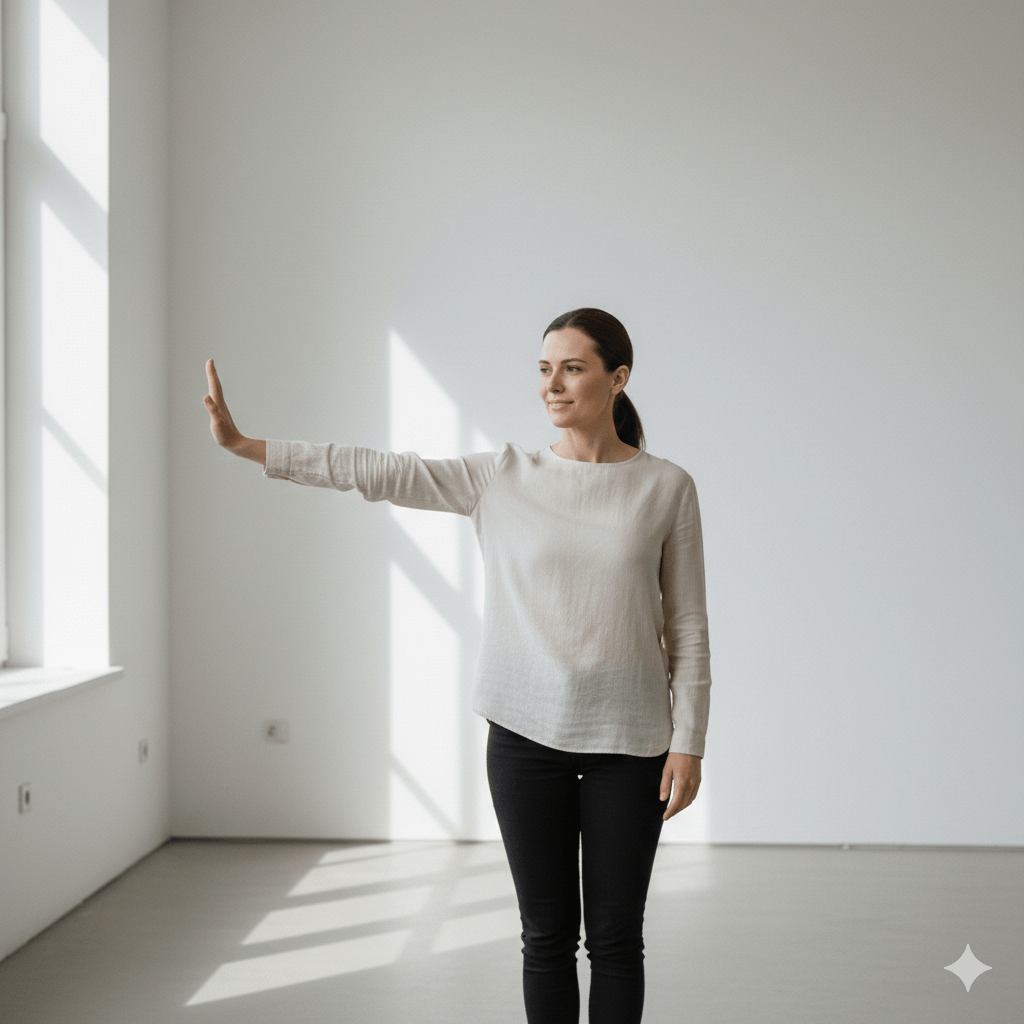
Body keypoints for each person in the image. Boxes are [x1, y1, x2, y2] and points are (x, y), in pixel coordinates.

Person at [203, 307, 711, 1024]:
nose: (552, 385)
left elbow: (686, 622)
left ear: (617, 378)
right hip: (524, 740)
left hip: (630, 746)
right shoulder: (502, 477)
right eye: (543, 368)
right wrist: (248, 446)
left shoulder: (666, 487)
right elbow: (377, 471)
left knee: (617, 942)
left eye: (572, 368)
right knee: (546, 940)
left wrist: (689, 739)